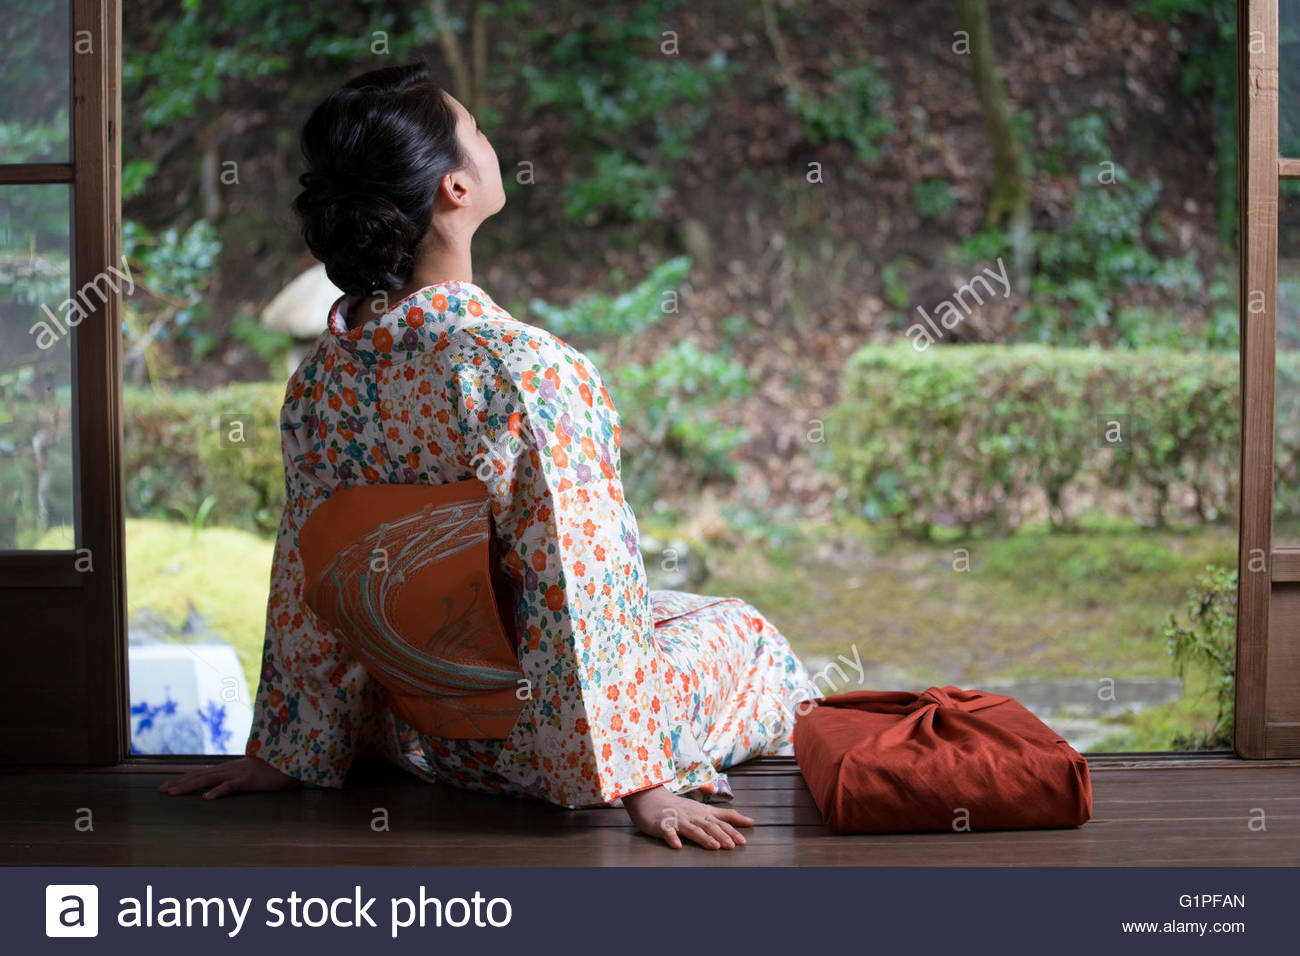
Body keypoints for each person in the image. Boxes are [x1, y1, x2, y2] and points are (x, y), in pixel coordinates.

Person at [159, 61, 822, 851]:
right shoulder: (519, 369)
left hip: (422, 740)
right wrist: (641, 785)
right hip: (544, 752)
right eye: (475, 132)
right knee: (741, 631)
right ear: (454, 189)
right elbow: (580, 575)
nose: (490, 140)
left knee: (676, 610)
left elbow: (312, 577)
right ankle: (635, 758)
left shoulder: (321, 381)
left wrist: (287, 751)